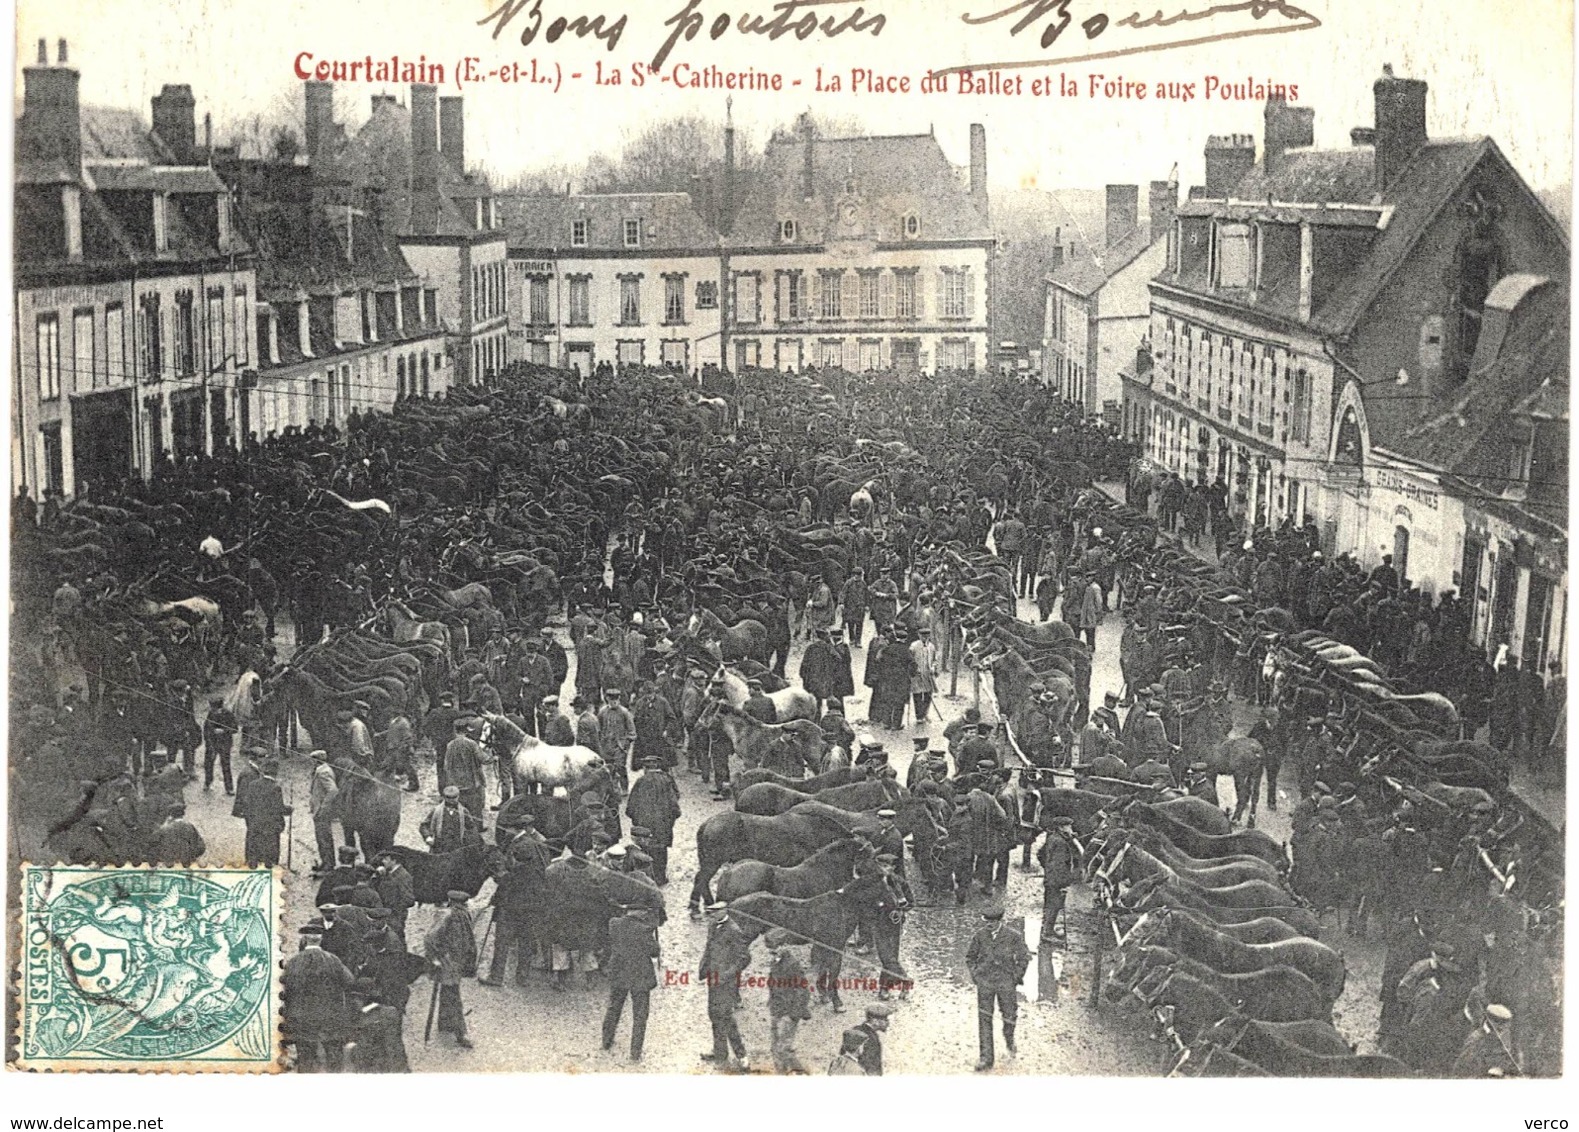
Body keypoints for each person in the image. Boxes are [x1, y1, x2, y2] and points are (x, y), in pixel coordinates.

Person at [966, 907, 1031, 1071]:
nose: (988, 925)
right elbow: (970, 957)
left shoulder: (1013, 936)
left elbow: (1024, 958)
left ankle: (1009, 1038)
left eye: (992, 922)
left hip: (1006, 983)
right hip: (985, 983)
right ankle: (986, 1058)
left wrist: (1015, 977)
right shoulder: (980, 936)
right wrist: (976, 976)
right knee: (985, 1018)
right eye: (986, 921)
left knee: (1009, 1016)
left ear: (999, 921)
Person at [283, 923, 354, 1072]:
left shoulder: (294, 962)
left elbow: (285, 986)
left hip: (303, 1016)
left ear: (304, 940)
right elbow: (349, 981)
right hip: (330, 1015)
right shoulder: (333, 960)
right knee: (334, 1056)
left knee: (306, 1058)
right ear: (320, 940)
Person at [602, 906, 660, 1062]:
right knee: (640, 1015)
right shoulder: (644, 929)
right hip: (639, 976)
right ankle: (635, 1053)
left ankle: (606, 1041)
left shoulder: (614, 923)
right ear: (640, 912)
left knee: (614, 1007)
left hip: (619, 973)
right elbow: (655, 951)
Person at [698, 901, 751, 1071]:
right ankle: (720, 1052)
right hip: (713, 980)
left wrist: (727, 975)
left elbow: (744, 958)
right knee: (714, 1015)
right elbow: (709, 949)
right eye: (710, 913)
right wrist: (703, 969)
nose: (711, 916)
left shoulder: (734, 931)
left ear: (724, 911)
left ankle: (742, 1055)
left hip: (726, 983)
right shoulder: (714, 926)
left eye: (714, 913)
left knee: (727, 1018)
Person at [424, 890, 479, 1049]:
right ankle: (461, 1033)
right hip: (448, 962)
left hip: (457, 962)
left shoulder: (462, 915)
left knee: (449, 990)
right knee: (454, 995)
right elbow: (430, 938)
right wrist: (435, 958)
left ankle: (445, 1022)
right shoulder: (447, 915)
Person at [625, 755, 681, 884]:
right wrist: (670, 819)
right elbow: (675, 803)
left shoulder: (640, 782)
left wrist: (637, 820)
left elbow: (630, 806)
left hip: (644, 824)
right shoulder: (667, 780)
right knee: (661, 850)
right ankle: (660, 878)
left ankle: (647, 877)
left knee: (645, 848)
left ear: (645, 767)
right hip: (663, 824)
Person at [766, 928, 812, 1074]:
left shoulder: (792, 965)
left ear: (785, 945)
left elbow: (802, 991)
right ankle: (783, 1071)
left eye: (774, 950)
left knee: (782, 1049)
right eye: (770, 951)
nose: (772, 954)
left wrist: (793, 1014)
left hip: (789, 1012)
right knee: (775, 1047)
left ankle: (798, 1072)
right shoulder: (776, 961)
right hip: (776, 1009)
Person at [235, 756, 291, 867]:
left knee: (253, 852)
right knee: (270, 856)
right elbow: (278, 808)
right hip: (269, 828)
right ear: (276, 773)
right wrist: (289, 810)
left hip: (254, 825)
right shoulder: (275, 788)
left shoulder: (253, 784)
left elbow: (247, 803)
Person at [1038, 817, 1079, 941]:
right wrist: (1065, 880)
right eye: (1068, 826)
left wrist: (1046, 868)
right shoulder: (1060, 843)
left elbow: (1040, 854)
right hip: (1056, 879)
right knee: (1054, 905)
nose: (1071, 829)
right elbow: (1060, 865)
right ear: (1061, 827)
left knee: (1049, 904)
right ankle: (1047, 934)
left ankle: (1047, 929)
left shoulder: (1053, 838)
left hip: (1050, 877)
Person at [443, 718, 487, 819]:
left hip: (456, 782)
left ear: (456, 730)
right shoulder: (471, 744)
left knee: (458, 807)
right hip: (472, 781)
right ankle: (477, 826)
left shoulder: (450, 745)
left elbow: (446, 765)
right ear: (466, 730)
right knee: (476, 806)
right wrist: (493, 758)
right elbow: (483, 758)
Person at [420, 786, 483, 852]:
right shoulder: (436, 811)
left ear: (458, 796)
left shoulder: (463, 811)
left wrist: (471, 842)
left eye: (454, 797)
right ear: (444, 797)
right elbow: (424, 826)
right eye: (448, 798)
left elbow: (471, 828)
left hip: (457, 848)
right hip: (439, 848)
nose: (451, 800)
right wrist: (428, 837)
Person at [598, 687, 637, 792]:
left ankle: (624, 788)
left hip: (620, 746)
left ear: (619, 699)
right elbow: (599, 728)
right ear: (607, 699)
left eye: (616, 699)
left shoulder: (624, 712)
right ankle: (612, 788)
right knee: (609, 768)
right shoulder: (602, 712)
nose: (614, 701)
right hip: (606, 745)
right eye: (611, 699)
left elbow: (632, 731)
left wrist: (626, 743)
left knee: (620, 767)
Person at [308, 749, 341, 873]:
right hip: (319, 810)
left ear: (316, 761)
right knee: (322, 837)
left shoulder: (323, 772)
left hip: (321, 811)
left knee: (324, 838)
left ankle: (328, 864)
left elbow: (333, 790)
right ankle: (325, 862)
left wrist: (323, 806)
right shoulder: (323, 769)